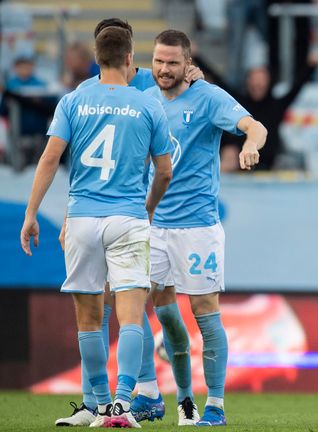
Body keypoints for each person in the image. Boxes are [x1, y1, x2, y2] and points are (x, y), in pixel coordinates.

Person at [53, 18, 204, 427]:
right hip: (122, 214)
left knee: (108, 308)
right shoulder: (138, 94)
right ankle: (106, 401)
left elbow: (66, 164)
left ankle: (122, 398)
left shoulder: (87, 95)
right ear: (129, 52)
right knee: (115, 307)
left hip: (102, 214)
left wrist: (194, 79)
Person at [19, 26, 173, 428]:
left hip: (82, 220)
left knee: (89, 319)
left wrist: (31, 213)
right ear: (129, 58)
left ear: (96, 57)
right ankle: (122, 404)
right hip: (127, 218)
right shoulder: (147, 105)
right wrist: (148, 208)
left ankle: (100, 405)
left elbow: (51, 157)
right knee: (132, 315)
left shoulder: (73, 100)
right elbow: (165, 171)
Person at [144, 29, 266, 426]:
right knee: (162, 312)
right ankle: (182, 398)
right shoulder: (145, 98)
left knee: (205, 313)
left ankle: (215, 405)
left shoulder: (209, 97)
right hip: (153, 225)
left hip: (197, 227)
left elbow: (255, 126)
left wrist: (250, 145)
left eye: (172, 63)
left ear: (187, 63)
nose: (164, 69)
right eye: (159, 61)